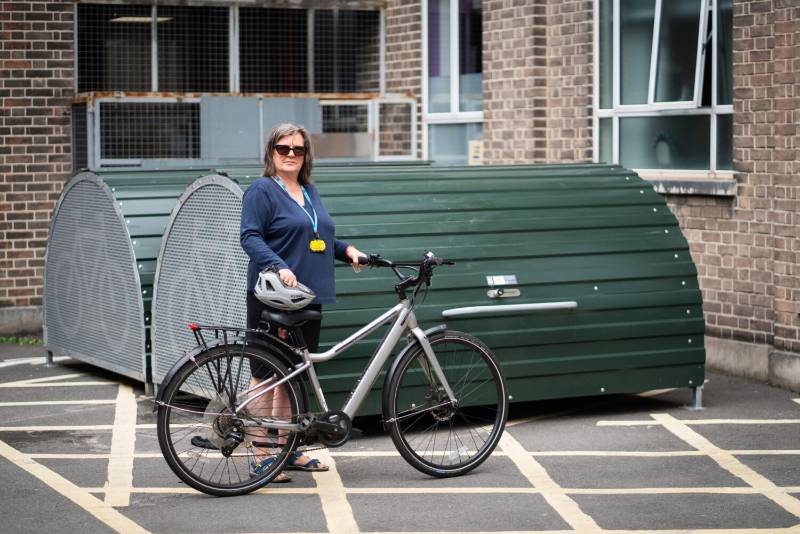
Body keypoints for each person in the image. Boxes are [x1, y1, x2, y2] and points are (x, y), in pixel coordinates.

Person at [240, 122, 365, 482]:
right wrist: (277, 266)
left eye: (298, 149)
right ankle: (261, 452)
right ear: (271, 153)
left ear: (306, 155)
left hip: (309, 297)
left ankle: (287, 450)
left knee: (292, 377)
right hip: (272, 296)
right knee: (265, 374)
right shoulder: (262, 190)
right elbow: (249, 237)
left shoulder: (309, 190)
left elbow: (319, 235)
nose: (291, 155)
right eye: (284, 148)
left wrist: (348, 251)